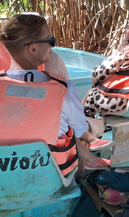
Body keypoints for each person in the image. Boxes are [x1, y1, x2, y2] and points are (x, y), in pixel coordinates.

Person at [0, 13, 111, 172]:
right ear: (33, 48)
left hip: (4, 182)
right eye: (51, 41)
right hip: (54, 178)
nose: (52, 47)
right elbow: (80, 129)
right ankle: (91, 162)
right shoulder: (63, 88)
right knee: (69, 130)